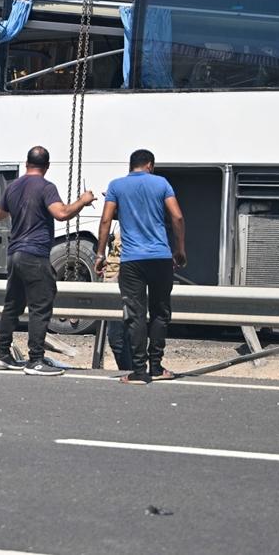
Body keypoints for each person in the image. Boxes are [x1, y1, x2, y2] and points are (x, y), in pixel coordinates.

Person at [0, 146, 95, 376]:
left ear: (26, 163)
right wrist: (83, 200)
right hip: (35, 254)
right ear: (46, 167)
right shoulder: (46, 187)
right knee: (41, 306)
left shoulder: (13, 186)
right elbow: (62, 213)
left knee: (13, 304)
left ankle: (2, 351)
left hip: (14, 253)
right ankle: (35, 359)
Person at [95, 149, 186, 385]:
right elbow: (177, 217)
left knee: (135, 315)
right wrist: (180, 249)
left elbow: (106, 220)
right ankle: (156, 366)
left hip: (132, 261)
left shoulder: (116, 186)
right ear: (150, 165)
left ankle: (138, 371)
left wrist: (100, 253)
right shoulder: (161, 183)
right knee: (160, 312)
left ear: (131, 166)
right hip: (160, 257)